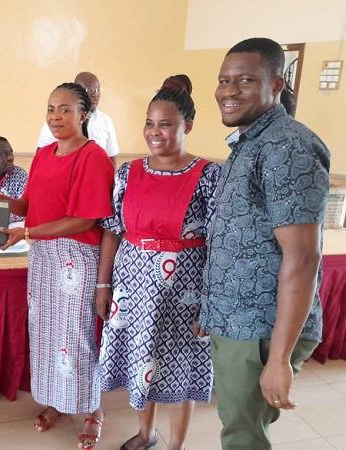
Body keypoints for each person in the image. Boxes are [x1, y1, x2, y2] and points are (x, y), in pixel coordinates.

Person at [0, 82, 114, 449]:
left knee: (77, 338)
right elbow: (28, 204)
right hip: (44, 257)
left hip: (75, 259)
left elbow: (83, 220)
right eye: (50, 109)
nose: (55, 117)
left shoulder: (92, 157)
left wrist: (26, 233)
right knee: (48, 335)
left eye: (65, 109)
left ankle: (93, 410)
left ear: (84, 114)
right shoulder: (45, 153)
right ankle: (59, 402)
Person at [199, 37, 330, 449]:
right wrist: (211, 309)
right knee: (237, 428)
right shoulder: (250, 141)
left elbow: (303, 258)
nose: (229, 90)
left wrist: (277, 359)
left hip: (260, 329)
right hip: (236, 321)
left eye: (245, 81)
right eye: (223, 80)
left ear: (277, 84)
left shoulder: (287, 146)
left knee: (244, 438)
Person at [96, 75, 220, 450]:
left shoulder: (209, 175)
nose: (155, 132)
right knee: (140, 362)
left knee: (178, 370)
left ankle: (176, 446)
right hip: (132, 288)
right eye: (150, 123)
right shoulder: (127, 173)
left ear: (188, 126)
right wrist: (103, 285)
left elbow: (218, 243)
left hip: (184, 294)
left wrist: (210, 303)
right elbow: (112, 231)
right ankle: (147, 434)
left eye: (166, 124)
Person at [36, 72, 120, 167]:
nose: (95, 95)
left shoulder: (105, 121)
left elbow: (111, 156)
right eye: (90, 90)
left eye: (98, 90)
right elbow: (41, 154)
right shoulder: (57, 121)